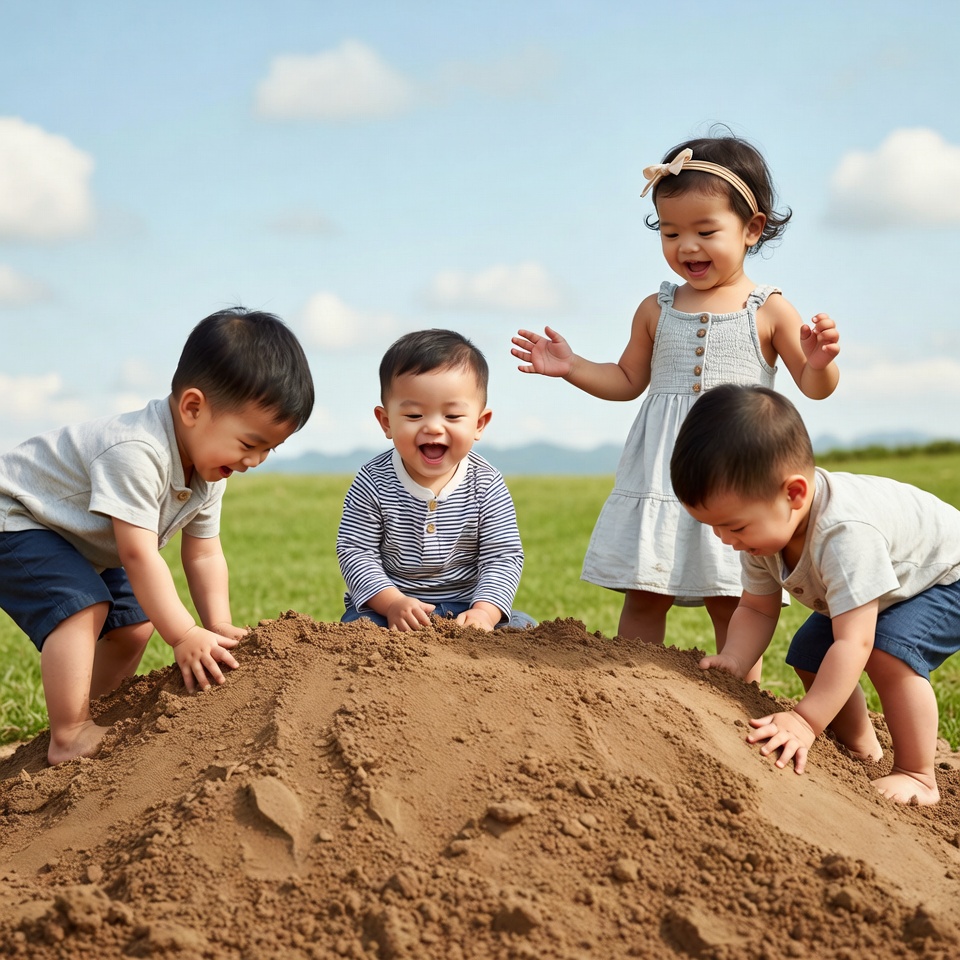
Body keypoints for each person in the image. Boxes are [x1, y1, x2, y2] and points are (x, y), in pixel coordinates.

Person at [511, 132, 840, 679]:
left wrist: (820, 359)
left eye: (706, 231)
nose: (687, 246)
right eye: (670, 232)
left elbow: (813, 384)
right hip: (664, 469)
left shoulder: (769, 309)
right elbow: (625, 379)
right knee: (644, 591)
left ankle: (742, 697)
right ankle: (630, 688)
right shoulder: (655, 308)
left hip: (737, 468)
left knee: (733, 599)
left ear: (752, 229)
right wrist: (571, 367)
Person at [0, 307, 315, 765]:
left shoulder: (211, 471)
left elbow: (204, 553)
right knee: (83, 607)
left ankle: (91, 712)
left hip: (77, 535)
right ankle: (69, 734)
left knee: (135, 624)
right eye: (249, 443)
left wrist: (216, 624)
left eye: (270, 449)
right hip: (18, 516)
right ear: (193, 407)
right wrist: (184, 633)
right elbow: (138, 554)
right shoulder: (136, 451)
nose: (256, 460)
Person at [670, 383, 960, 806]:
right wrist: (735, 657)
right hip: (891, 584)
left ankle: (917, 774)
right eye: (713, 526)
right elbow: (755, 607)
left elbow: (855, 641)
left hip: (947, 576)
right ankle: (862, 745)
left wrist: (805, 721)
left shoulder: (844, 536)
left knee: (887, 650)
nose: (724, 539)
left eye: (733, 526)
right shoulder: (762, 533)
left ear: (794, 494)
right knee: (809, 650)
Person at [337, 329, 534, 632]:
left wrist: (485, 612)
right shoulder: (372, 480)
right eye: (414, 415)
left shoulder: (487, 484)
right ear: (386, 421)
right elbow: (356, 551)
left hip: (467, 606)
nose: (433, 427)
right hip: (391, 607)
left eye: (452, 416)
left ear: (479, 423)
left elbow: (502, 555)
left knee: (521, 626)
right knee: (360, 628)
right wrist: (391, 603)